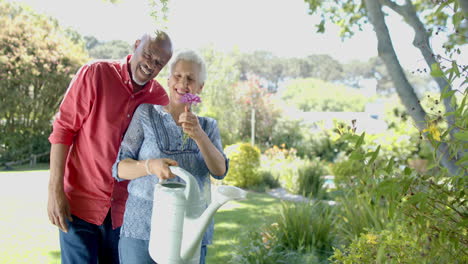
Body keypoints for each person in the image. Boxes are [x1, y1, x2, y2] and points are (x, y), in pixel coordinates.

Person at [47, 31, 173, 264]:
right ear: (136, 45)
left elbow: (166, 145)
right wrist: (55, 192)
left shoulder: (159, 98)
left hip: (123, 215)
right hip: (79, 207)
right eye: (147, 55)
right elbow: (63, 130)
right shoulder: (96, 73)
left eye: (159, 63)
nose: (150, 65)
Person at [112, 49, 229, 264]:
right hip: (142, 231)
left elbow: (220, 171)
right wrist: (150, 166)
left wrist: (199, 136)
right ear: (168, 79)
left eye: (191, 78)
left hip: (190, 235)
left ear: (200, 87)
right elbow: (119, 168)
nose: (183, 83)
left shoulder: (208, 126)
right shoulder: (145, 114)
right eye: (178, 75)